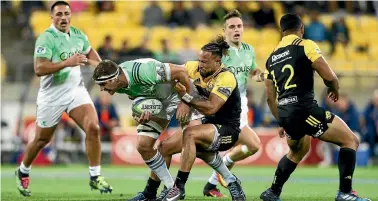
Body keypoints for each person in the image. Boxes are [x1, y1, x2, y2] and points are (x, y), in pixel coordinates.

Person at [260, 13, 371, 201]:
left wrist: (282, 121)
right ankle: (345, 193)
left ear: (281, 31)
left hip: (285, 113)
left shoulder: (271, 58)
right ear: (301, 29)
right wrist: (334, 88)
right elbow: (329, 76)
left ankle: (272, 191)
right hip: (304, 110)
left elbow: (271, 98)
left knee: (297, 151)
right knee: (350, 140)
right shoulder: (305, 45)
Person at [15, 1, 112, 197]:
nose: (63, 17)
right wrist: (67, 62)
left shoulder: (77, 34)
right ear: (52, 18)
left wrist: (101, 69)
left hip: (76, 91)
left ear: (70, 15)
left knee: (93, 128)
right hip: (52, 96)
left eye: (66, 14)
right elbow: (39, 69)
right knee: (42, 139)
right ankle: (23, 170)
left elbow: (90, 51)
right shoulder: (46, 39)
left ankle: (95, 177)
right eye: (58, 14)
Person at [92, 58, 198, 201]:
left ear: (113, 79)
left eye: (103, 84)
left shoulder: (142, 71)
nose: (102, 89)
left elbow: (181, 72)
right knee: (144, 145)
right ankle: (168, 188)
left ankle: (220, 181)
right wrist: (140, 115)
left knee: (197, 140)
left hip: (179, 93)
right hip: (159, 100)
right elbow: (140, 99)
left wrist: (186, 100)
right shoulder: (120, 85)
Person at [163, 35, 246, 201]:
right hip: (207, 125)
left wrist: (186, 98)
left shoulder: (225, 77)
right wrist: (183, 101)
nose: (200, 65)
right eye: (199, 60)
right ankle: (156, 190)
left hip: (227, 129)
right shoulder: (193, 67)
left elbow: (211, 108)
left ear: (217, 62)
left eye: (205, 62)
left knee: (190, 134)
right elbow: (172, 76)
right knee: (165, 147)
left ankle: (178, 187)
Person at [203, 10, 263, 197]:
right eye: (232, 27)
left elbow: (253, 71)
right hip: (223, 105)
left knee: (249, 145)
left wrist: (262, 75)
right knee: (250, 145)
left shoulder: (248, 50)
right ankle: (223, 169)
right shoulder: (219, 53)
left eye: (239, 26)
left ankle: (212, 182)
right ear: (225, 30)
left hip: (240, 105)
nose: (237, 29)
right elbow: (204, 72)